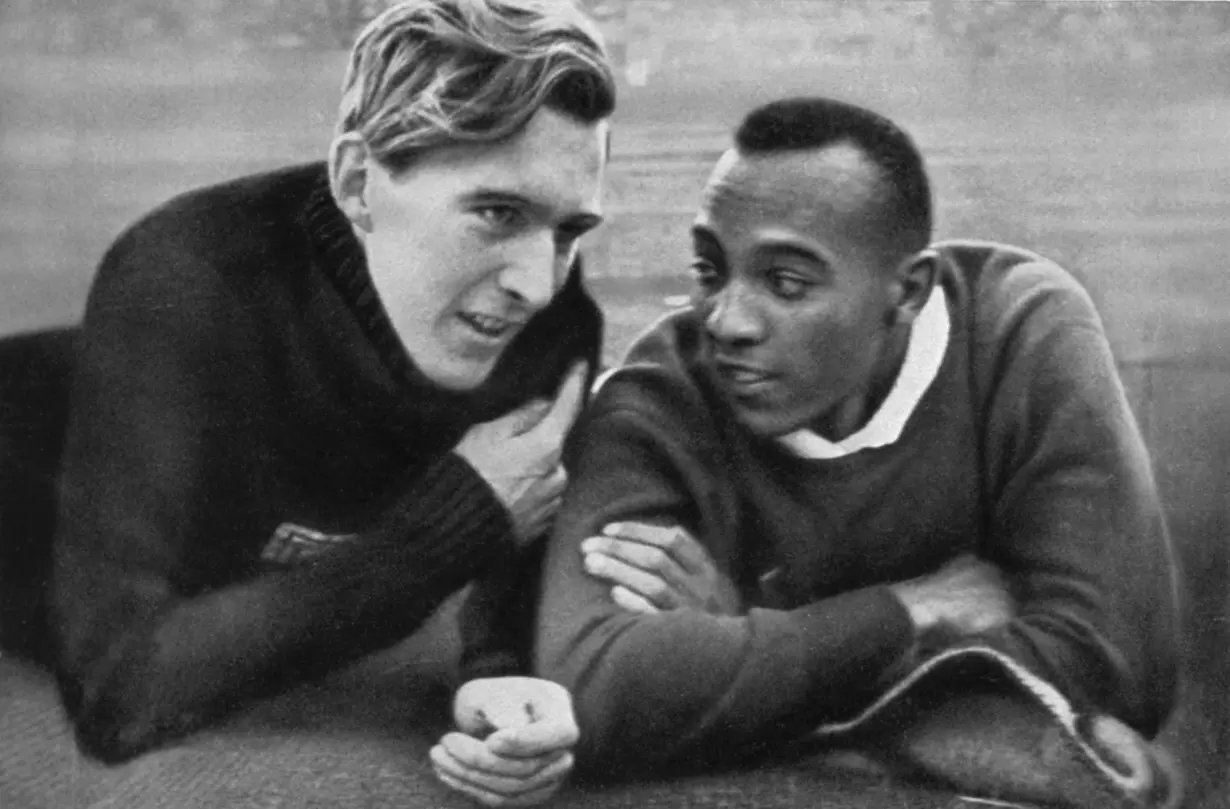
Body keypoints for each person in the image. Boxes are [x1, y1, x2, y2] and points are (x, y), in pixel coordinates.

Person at [9, 1, 615, 805]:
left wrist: (496, 682)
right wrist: (441, 534)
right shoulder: (187, 274)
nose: (537, 283)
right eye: (496, 213)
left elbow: (509, 581)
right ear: (359, 181)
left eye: (569, 230)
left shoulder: (555, 324)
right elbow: (119, 695)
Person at [532, 97, 1181, 803]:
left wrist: (737, 646)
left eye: (786, 282)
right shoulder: (659, 396)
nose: (726, 321)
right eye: (711, 269)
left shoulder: (1022, 332)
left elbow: (1114, 666)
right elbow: (596, 693)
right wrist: (907, 610)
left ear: (907, 292)